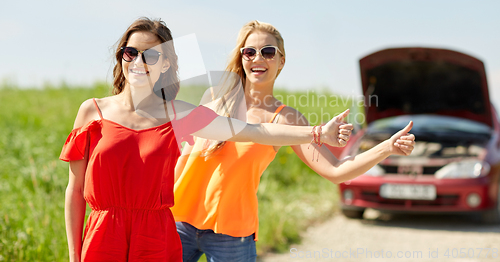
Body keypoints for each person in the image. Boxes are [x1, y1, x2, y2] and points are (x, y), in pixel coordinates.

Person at [60, 17, 367, 262]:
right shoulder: (92, 111)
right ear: (122, 56)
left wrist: (316, 133)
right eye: (131, 52)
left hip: (156, 240)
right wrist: (74, 255)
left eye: (150, 55)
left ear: (164, 64)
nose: (139, 61)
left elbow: (254, 131)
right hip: (102, 238)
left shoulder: (178, 115)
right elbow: (74, 191)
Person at [172, 20, 416, 262]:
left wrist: (386, 147)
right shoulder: (214, 98)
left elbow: (336, 170)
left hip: (232, 233)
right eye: (250, 51)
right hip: (178, 220)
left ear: (281, 61)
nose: (258, 58)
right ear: (242, 57)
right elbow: (181, 153)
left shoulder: (286, 119)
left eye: (268, 52)